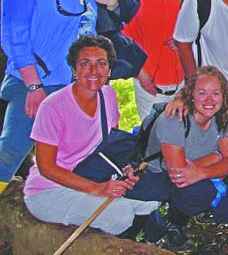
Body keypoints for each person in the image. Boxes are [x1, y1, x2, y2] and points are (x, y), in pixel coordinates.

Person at [1, 0, 118, 195]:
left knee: (74, 151)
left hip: (81, 81)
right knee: (13, 147)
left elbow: (115, 12)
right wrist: (32, 87)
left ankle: (62, 206)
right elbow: (14, 35)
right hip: (38, 80)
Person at [23, 35, 160, 237]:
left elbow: (108, 149)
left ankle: (131, 244)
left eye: (101, 64)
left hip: (93, 174)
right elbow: (46, 168)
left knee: (149, 201)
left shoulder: (108, 96)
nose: (94, 71)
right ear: (74, 70)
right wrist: (96, 189)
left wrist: (126, 170)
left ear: (110, 70)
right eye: (85, 63)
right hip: (50, 190)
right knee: (120, 215)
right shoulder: (53, 107)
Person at [141, 65, 228, 250]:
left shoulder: (223, 119)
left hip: (198, 173)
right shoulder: (174, 119)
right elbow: (179, 173)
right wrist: (216, 157)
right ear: (191, 95)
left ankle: (197, 208)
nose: (209, 100)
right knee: (198, 192)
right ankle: (174, 222)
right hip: (160, 175)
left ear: (224, 97)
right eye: (202, 93)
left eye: (215, 93)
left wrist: (201, 171)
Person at [122, 0, 185, 120]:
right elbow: (126, 41)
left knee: (182, 135)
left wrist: (182, 40)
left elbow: (196, 33)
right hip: (149, 84)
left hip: (181, 83)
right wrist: (140, 74)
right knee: (152, 137)